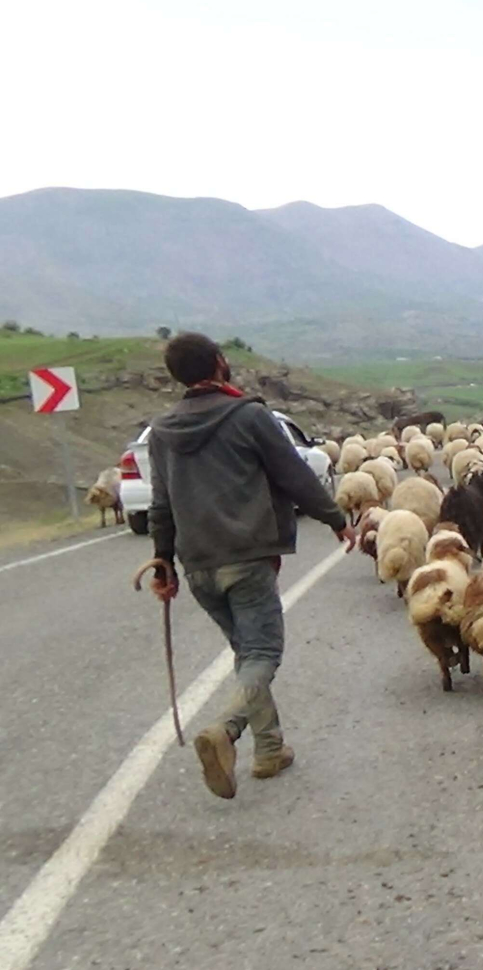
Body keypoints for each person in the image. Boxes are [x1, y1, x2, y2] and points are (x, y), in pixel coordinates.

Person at [143, 333, 353, 799]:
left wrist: (163, 564)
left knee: (246, 655)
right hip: (247, 558)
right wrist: (337, 520)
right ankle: (225, 730)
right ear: (220, 362)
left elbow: (161, 505)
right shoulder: (248, 416)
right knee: (262, 654)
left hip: (198, 566)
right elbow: (294, 474)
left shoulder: (161, 432)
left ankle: (270, 750)